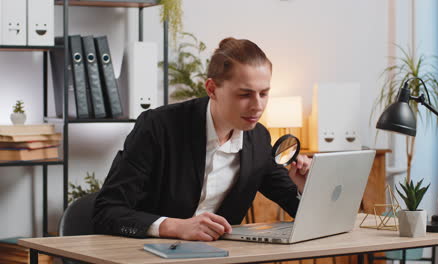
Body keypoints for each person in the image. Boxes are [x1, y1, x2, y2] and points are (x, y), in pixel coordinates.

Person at [93, 37, 312, 241]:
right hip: (148, 256)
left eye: (263, 94)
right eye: (245, 94)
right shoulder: (158, 127)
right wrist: (173, 226)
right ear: (212, 89)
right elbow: (107, 212)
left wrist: (305, 187)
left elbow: (297, 207)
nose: (258, 106)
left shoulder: (258, 139)